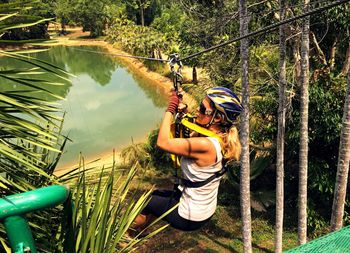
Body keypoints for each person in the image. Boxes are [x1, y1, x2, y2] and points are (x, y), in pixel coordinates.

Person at [133, 86, 243, 232]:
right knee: (155, 196)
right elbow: (193, 131)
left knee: (146, 202)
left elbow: (162, 142)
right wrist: (184, 112)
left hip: (189, 217)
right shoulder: (221, 136)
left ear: (217, 117)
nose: (198, 110)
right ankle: (140, 231)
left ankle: (127, 236)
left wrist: (170, 108)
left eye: (203, 109)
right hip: (202, 208)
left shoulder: (206, 145)